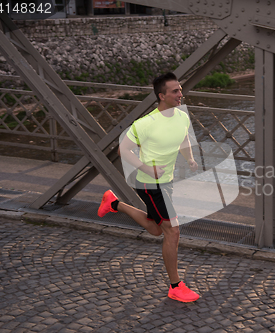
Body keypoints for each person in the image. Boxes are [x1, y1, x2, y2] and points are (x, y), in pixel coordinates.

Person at [97, 72, 200, 303]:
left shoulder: (182, 116)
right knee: (172, 231)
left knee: (156, 229)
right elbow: (122, 150)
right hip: (149, 182)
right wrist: (148, 168)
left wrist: (190, 158)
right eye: (175, 91)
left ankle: (113, 203)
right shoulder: (145, 124)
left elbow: (183, 138)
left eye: (180, 89)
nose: (180, 94)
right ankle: (175, 286)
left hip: (167, 181)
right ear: (162, 96)